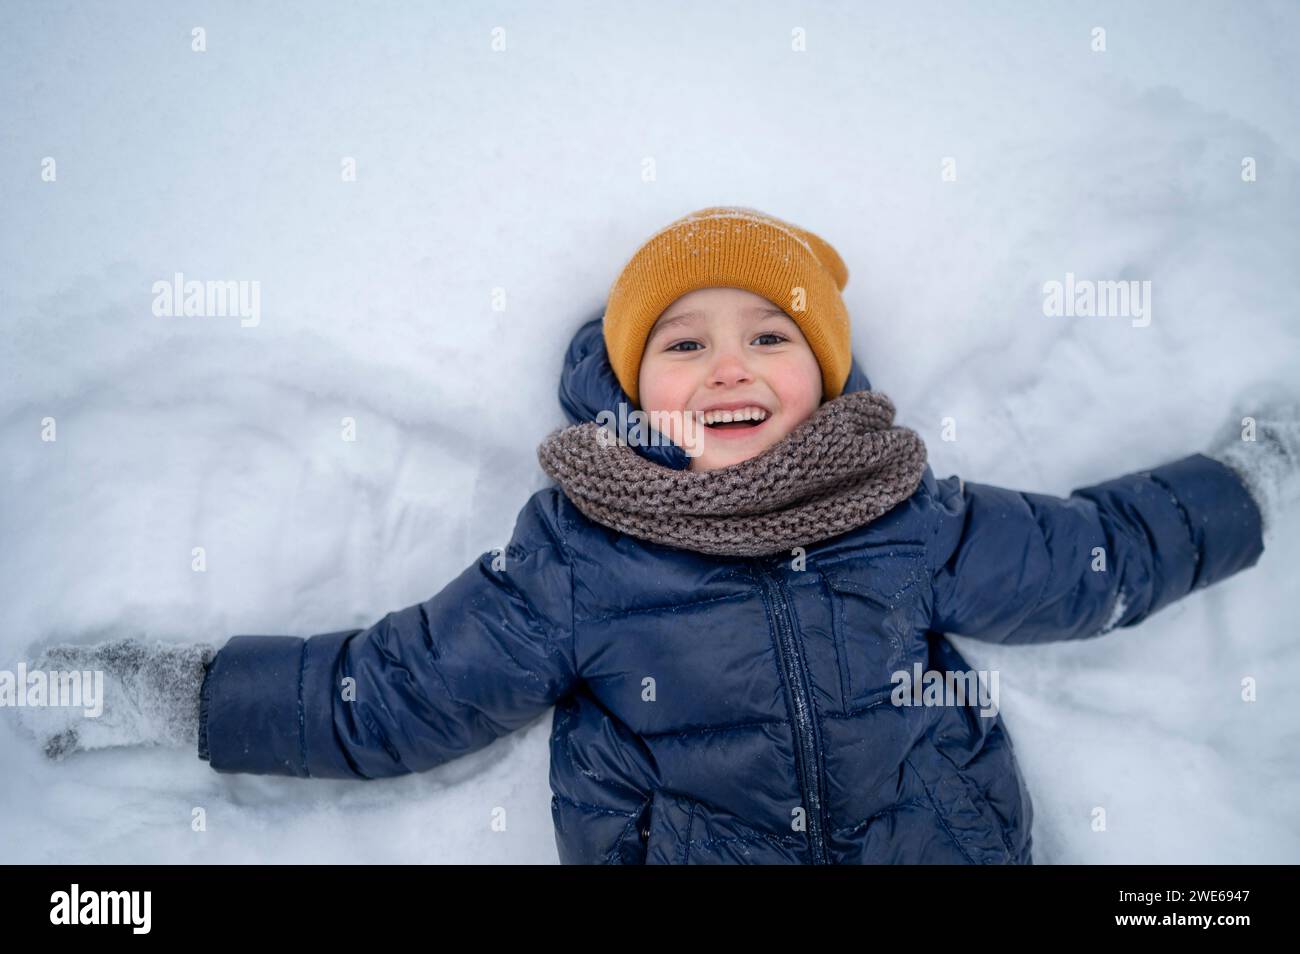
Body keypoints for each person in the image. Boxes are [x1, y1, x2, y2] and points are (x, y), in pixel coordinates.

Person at [15, 206, 1298, 864]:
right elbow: (393, 695)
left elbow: (1098, 557)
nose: (728, 365)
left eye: (770, 335)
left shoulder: (901, 514)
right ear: (632, 390)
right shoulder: (582, 555)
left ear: (825, 375)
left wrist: (1250, 483)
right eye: (683, 343)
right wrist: (171, 696)